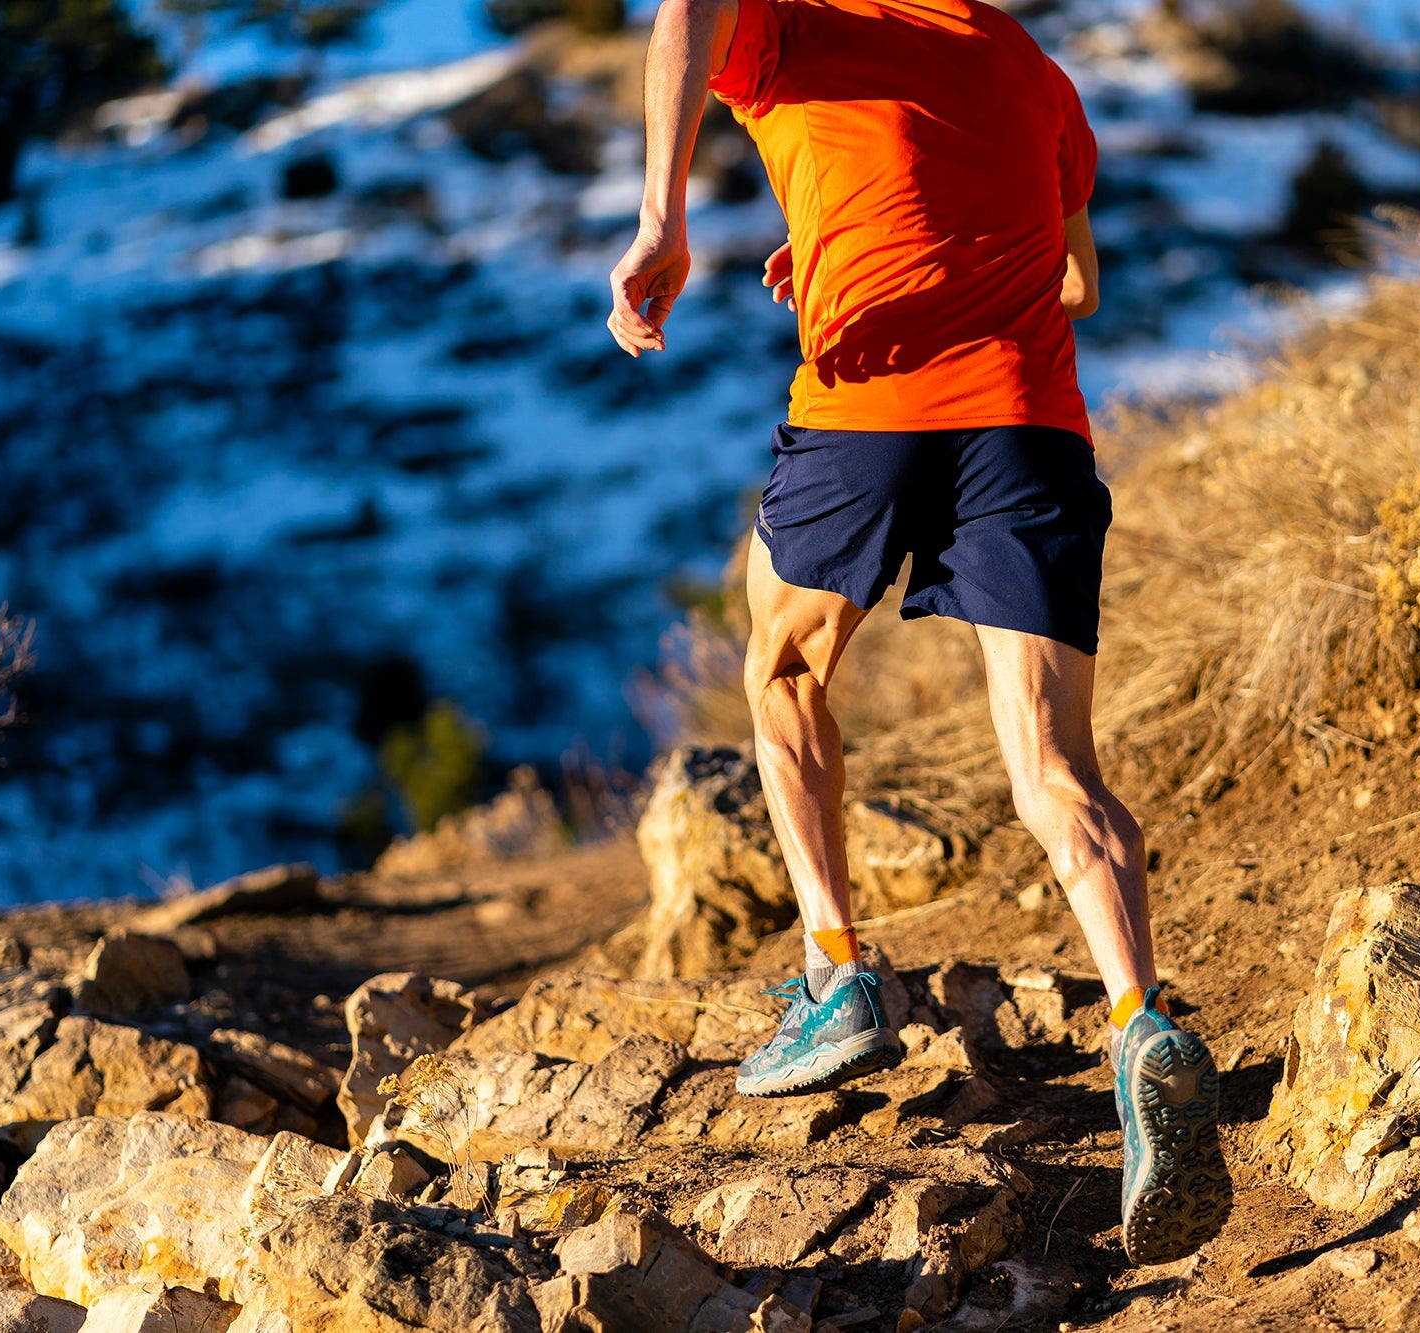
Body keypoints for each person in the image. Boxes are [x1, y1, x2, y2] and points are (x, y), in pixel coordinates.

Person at [608, 0, 1231, 1264]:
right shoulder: (1030, 69)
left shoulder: (789, 30)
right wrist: (873, 238)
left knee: (780, 668)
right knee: (1056, 772)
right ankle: (1141, 1023)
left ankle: (836, 973)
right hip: (1030, 426)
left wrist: (663, 222)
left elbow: (683, 10)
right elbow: (1075, 282)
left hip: (870, 410)